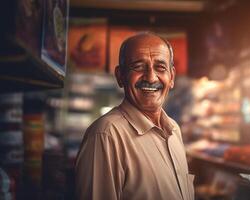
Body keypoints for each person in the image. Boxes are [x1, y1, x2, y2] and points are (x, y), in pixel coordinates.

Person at [75, 32, 195, 200]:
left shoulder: (174, 129)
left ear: (172, 77)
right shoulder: (106, 135)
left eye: (160, 68)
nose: (151, 77)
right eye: (138, 67)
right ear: (120, 76)